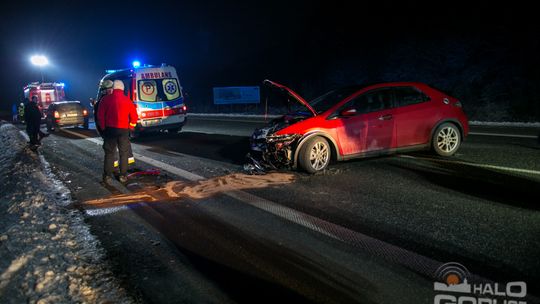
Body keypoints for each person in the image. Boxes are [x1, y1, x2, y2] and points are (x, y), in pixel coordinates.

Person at [97, 80, 138, 184]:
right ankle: (123, 175)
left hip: (110, 130)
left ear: (113, 87)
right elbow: (134, 117)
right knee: (123, 153)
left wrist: (103, 128)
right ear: (122, 88)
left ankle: (107, 176)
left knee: (109, 153)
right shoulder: (127, 100)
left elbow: (100, 116)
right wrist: (130, 127)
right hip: (124, 130)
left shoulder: (105, 99)